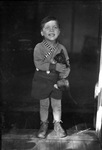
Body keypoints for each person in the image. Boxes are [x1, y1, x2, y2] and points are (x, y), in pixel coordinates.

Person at [31, 16, 70, 138]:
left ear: (59, 31)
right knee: (43, 104)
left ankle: (57, 124)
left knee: (57, 104)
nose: (51, 30)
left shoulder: (62, 48)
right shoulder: (39, 47)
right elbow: (38, 63)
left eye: (55, 27)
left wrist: (64, 73)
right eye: (47, 27)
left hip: (56, 81)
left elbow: (67, 64)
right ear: (42, 32)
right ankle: (44, 124)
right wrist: (54, 67)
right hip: (42, 80)